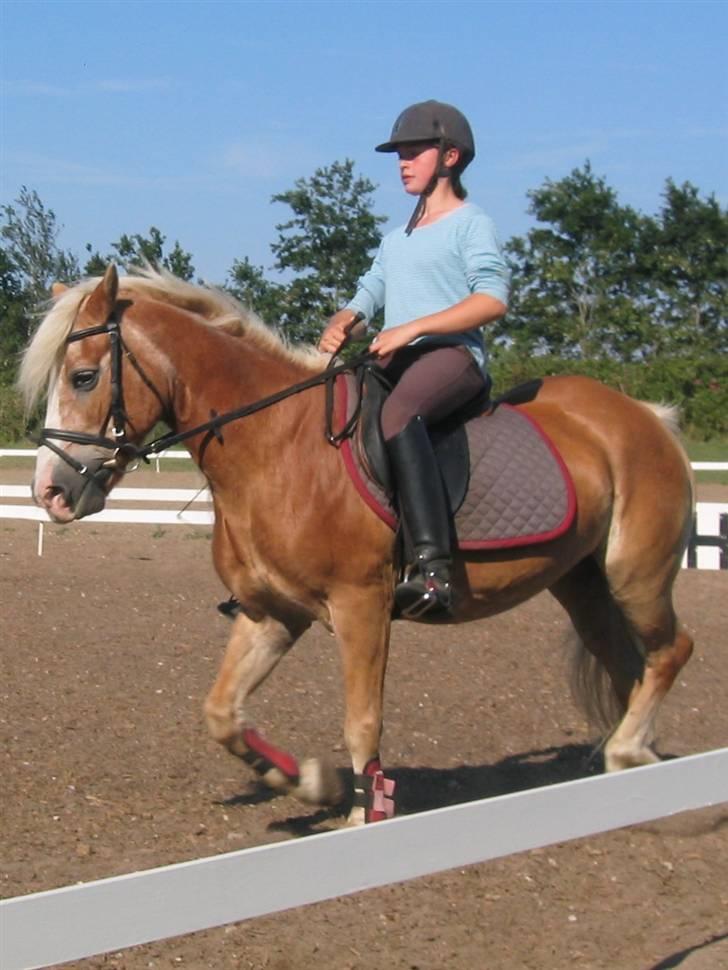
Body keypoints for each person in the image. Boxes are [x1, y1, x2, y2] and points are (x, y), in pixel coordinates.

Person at [319, 99, 510, 618]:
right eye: (398, 155)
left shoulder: (471, 224)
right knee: (328, 406)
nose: (402, 163)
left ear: (449, 156)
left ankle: (432, 570)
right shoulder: (395, 239)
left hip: (452, 357)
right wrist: (344, 320)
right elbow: (368, 293)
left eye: (413, 152)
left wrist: (414, 327)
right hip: (396, 357)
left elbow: (493, 299)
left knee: (401, 415)